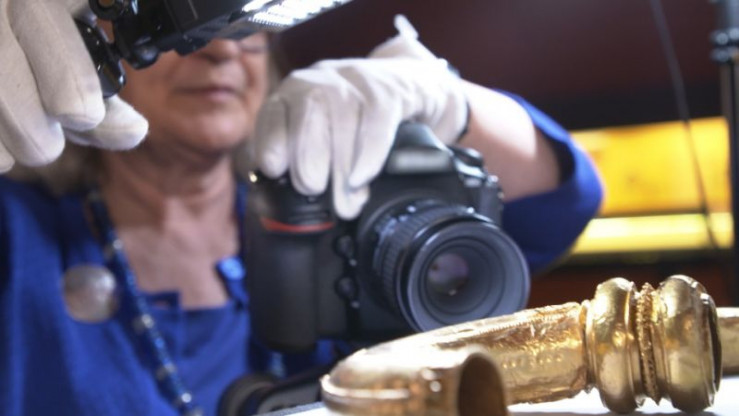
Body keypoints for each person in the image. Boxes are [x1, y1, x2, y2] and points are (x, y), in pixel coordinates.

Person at [0, 2, 602, 416]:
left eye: (248, 31)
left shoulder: (337, 210)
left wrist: (450, 101)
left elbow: (560, 207)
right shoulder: (19, 235)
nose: (223, 54)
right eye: (181, 34)